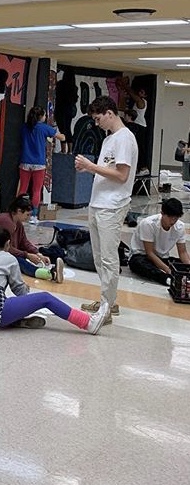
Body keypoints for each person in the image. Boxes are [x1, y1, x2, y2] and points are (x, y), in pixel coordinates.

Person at [0, 226, 109, 333]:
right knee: (45, 298)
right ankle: (88, 323)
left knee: (4, 300)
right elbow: (20, 292)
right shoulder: (9, 258)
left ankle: (15, 321)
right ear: (7, 243)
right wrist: (26, 289)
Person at [76, 96, 138, 322]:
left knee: (109, 259)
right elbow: (107, 171)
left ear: (110, 113)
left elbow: (122, 175)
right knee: (99, 257)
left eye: (98, 118)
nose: (96, 123)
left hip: (112, 206)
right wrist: (89, 169)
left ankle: (107, 306)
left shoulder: (124, 138)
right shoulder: (108, 140)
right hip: (98, 203)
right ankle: (108, 301)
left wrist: (91, 166)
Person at [0, 194, 65, 283]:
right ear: (19, 211)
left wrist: (37, 253)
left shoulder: (17, 223)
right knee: (17, 260)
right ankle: (50, 274)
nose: (28, 217)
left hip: (2, 252)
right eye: (27, 214)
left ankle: (51, 268)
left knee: (22, 257)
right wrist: (27, 255)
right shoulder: (7, 222)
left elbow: (24, 242)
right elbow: (7, 249)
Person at [18, 105, 65, 219]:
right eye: (44, 115)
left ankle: (19, 212)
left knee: (23, 188)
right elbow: (62, 138)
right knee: (36, 190)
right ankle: (33, 215)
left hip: (25, 161)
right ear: (41, 117)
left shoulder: (24, 127)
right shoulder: (44, 128)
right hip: (39, 163)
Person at [128, 198, 189, 285]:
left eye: (175, 218)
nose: (173, 221)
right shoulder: (148, 224)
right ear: (162, 213)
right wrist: (167, 270)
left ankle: (175, 276)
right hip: (142, 256)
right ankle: (166, 279)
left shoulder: (180, 227)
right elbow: (150, 253)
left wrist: (187, 268)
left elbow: (183, 252)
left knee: (179, 265)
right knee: (139, 264)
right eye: (170, 217)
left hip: (163, 258)